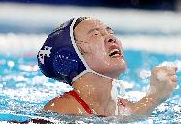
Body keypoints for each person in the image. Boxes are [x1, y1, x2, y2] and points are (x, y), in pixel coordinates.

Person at [37, 17, 177, 116]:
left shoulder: (124, 108)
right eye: (96, 34)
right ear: (69, 59)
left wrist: (156, 96)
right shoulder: (62, 108)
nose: (112, 38)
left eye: (111, 32)